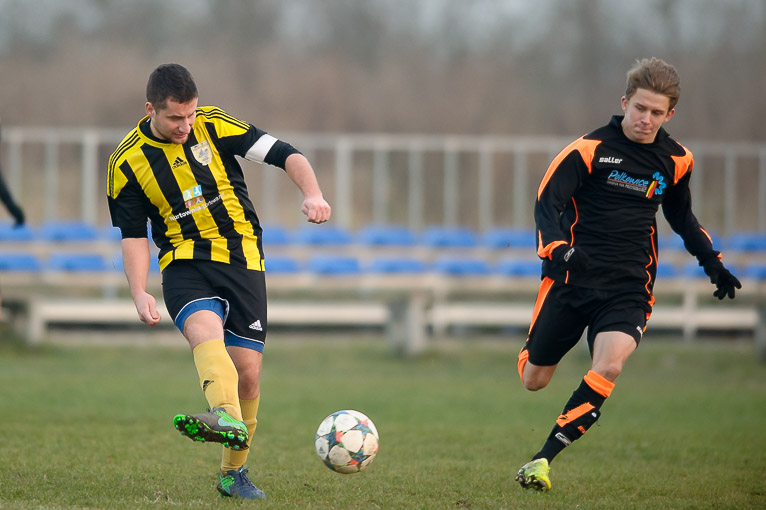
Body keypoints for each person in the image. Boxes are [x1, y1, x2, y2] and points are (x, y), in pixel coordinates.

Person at [514, 57, 741, 492]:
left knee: (610, 365)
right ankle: (532, 349)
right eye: (640, 108)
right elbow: (547, 203)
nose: (646, 119)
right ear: (625, 103)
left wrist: (711, 262)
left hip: (629, 287)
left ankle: (542, 459)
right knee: (534, 380)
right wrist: (558, 250)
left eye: (656, 112)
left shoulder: (677, 160)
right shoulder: (588, 150)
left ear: (669, 114)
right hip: (571, 279)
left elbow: (682, 217)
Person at [106, 63, 331, 500]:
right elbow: (133, 235)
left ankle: (233, 474)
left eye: (190, 114)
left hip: (242, 258)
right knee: (204, 332)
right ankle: (223, 413)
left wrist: (313, 193)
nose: (185, 126)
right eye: (175, 117)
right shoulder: (126, 162)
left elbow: (286, 153)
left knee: (248, 374)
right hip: (184, 263)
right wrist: (138, 289)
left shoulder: (214, 125)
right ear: (150, 109)